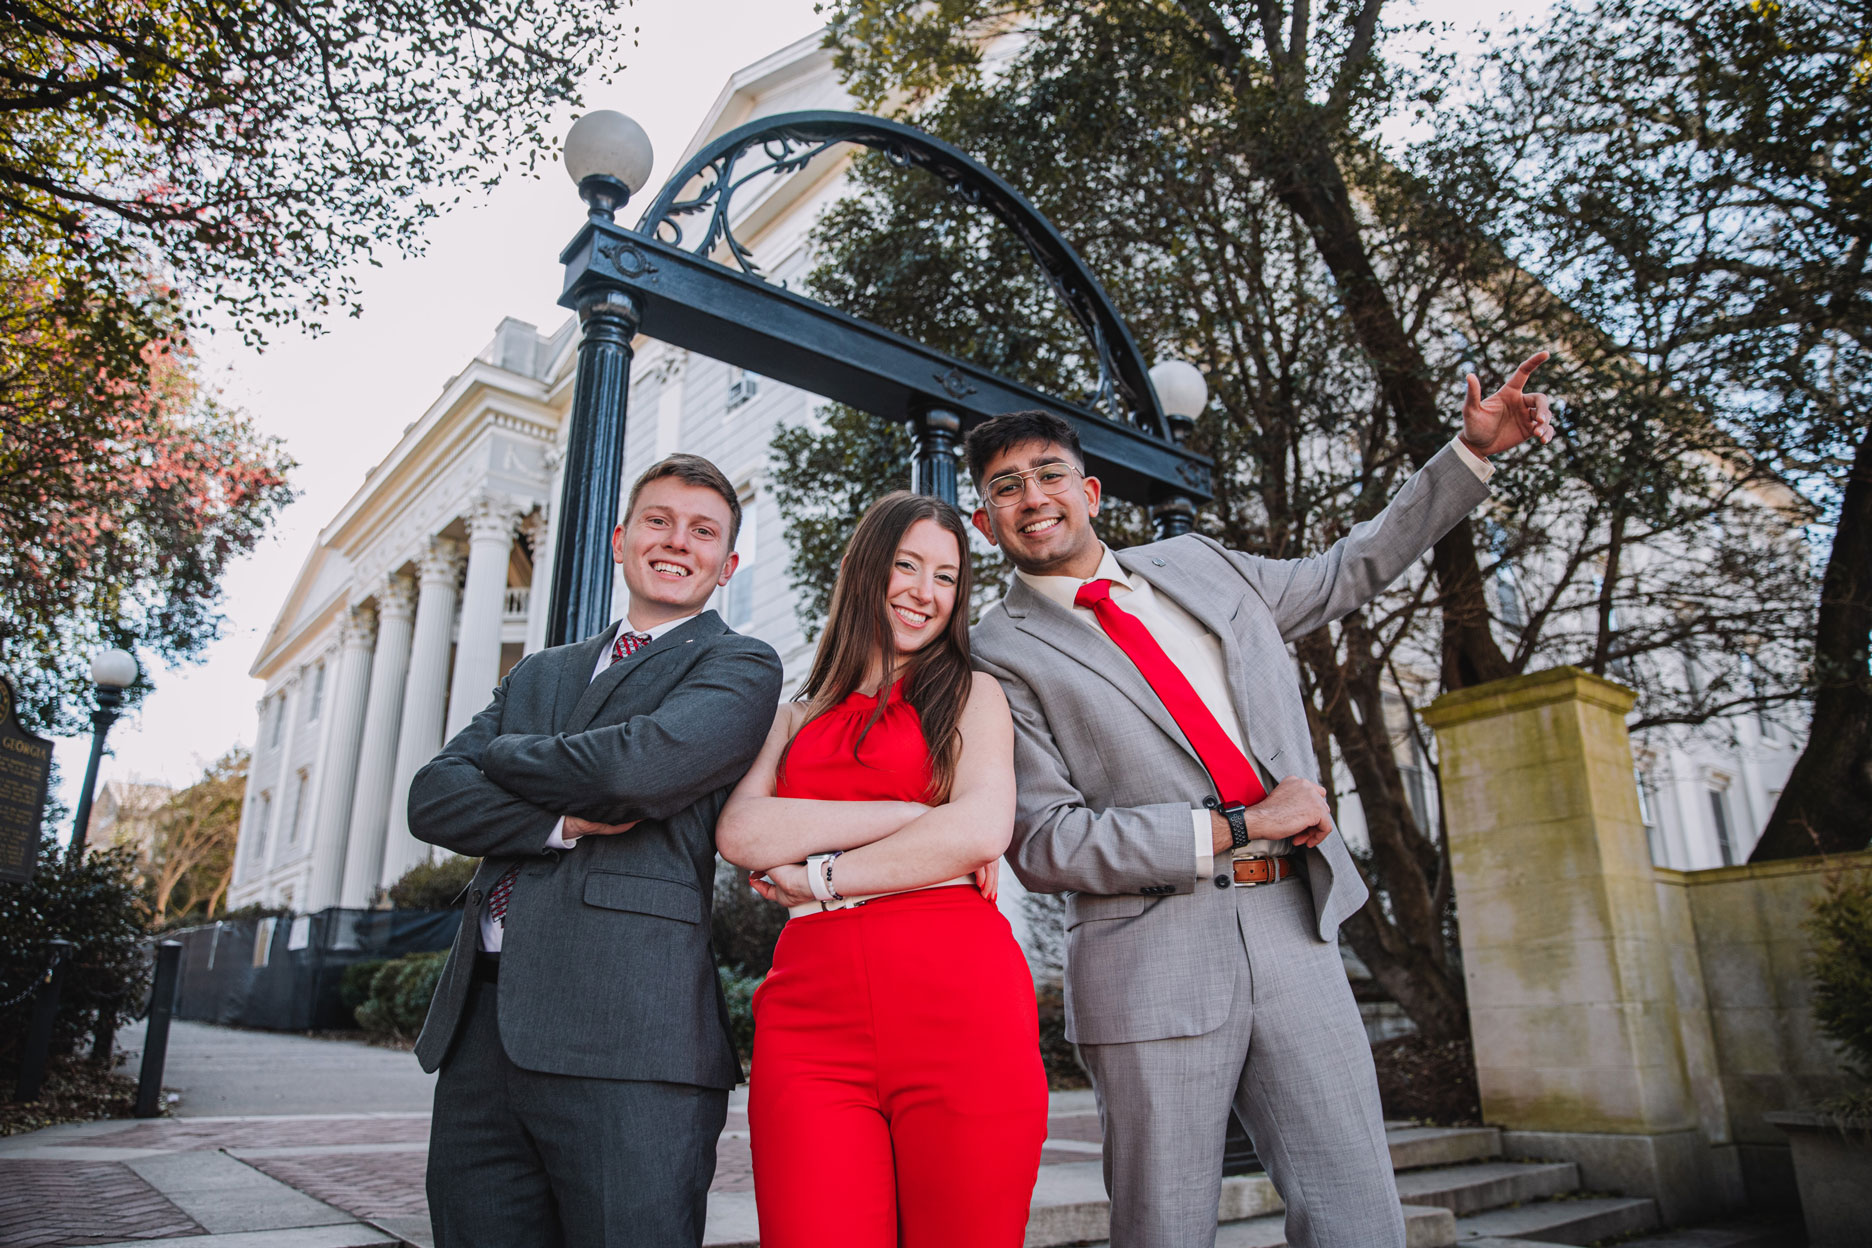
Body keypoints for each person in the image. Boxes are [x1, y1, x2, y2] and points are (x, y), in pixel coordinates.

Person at [967, 356, 1557, 1248]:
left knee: (1360, 1215)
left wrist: (1467, 456)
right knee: (1163, 1230)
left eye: (1048, 474)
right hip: (1146, 961)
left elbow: (1346, 571)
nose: (1032, 496)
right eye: (1005, 487)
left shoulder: (1199, 565)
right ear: (985, 520)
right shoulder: (993, 652)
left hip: (1296, 929)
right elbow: (1048, 843)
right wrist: (1237, 825)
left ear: (1089, 491)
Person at [407, 453, 784, 1248]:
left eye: (703, 531)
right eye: (658, 521)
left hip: (630, 1039)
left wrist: (505, 756)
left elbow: (636, 771)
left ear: (727, 564)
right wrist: (563, 821)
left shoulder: (739, 664)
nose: (677, 542)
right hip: (480, 1035)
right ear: (620, 540)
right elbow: (432, 796)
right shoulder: (541, 671)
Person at [716, 491, 1048, 1248]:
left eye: (946, 577)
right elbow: (741, 832)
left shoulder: (971, 694)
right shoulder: (795, 714)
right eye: (906, 565)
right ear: (866, 569)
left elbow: (982, 826)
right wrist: (910, 820)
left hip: (961, 1011)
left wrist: (820, 875)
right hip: (809, 1026)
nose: (923, 593)